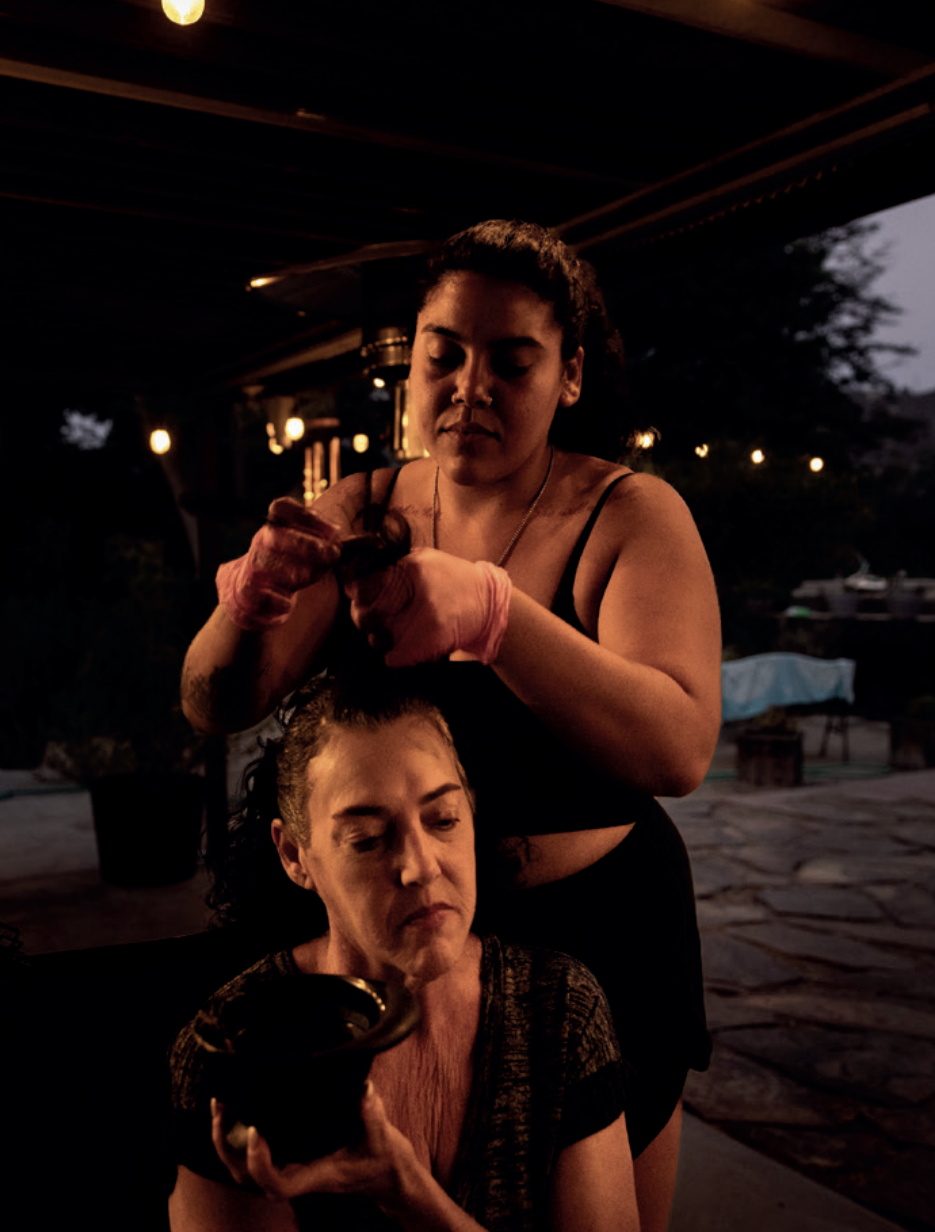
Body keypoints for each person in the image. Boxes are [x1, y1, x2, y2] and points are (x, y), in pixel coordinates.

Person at [183, 219, 721, 1231]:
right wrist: (244, 606)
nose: (471, 385)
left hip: (602, 929)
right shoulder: (363, 502)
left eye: (512, 359)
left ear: (568, 376)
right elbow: (213, 703)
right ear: (412, 360)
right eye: (444, 354)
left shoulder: (628, 511)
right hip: (404, 928)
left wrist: (497, 615)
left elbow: (681, 744)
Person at [169, 676, 640, 1232]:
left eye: (443, 820)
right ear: (296, 856)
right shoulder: (238, 1049)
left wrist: (407, 1194)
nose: (421, 866)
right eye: (368, 839)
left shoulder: (559, 1010)